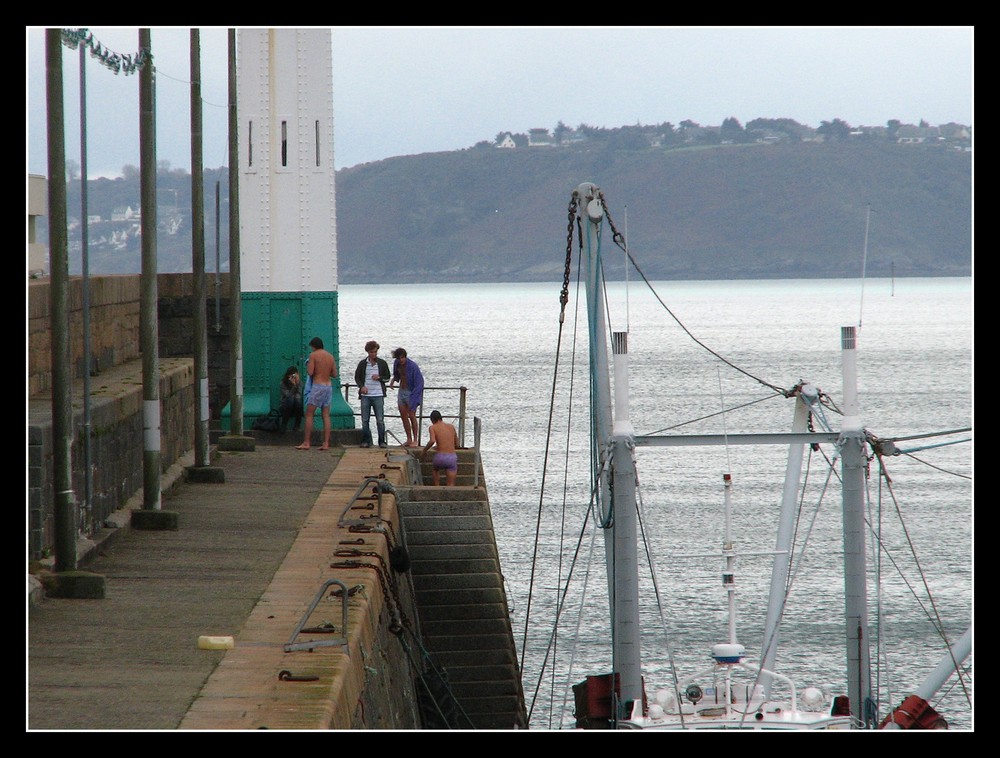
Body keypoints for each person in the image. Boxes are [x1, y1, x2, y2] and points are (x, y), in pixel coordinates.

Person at [296, 337, 338, 451]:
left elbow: (310, 372)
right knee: (326, 415)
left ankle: (306, 442)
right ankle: (326, 443)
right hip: (328, 387)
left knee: (309, 414)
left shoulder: (313, 355)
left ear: (313, 346)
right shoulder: (330, 356)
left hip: (317, 386)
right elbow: (334, 374)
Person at [354, 340, 391, 448]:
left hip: (378, 395)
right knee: (365, 420)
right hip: (366, 395)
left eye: (375, 352)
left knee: (380, 420)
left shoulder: (382, 363)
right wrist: (361, 387)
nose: (373, 354)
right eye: (371, 352)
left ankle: (381, 441)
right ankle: (366, 441)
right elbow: (357, 377)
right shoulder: (362, 364)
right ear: (368, 352)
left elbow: (387, 377)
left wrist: (379, 377)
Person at [388, 347, 425, 447]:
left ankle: (415, 439)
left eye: (403, 358)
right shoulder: (396, 364)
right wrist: (393, 380)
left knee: (412, 415)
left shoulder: (413, 366)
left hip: (411, 392)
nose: (401, 360)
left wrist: (415, 397)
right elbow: (397, 374)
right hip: (401, 390)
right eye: (399, 358)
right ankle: (409, 439)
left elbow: (420, 382)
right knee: (403, 416)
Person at [421, 410, 459, 486]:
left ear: (432, 420)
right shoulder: (451, 427)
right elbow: (457, 444)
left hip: (440, 457)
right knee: (451, 484)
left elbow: (432, 441)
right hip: (451, 458)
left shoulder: (433, 427)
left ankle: (437, 486)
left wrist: (424, 451)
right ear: (440, 418)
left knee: (435, 470)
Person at [279, 365, 303, 433]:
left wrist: (297, 384)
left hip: (296, 407)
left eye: (294, 376)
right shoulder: (283, 383)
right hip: (285, 407)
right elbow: (288, 396)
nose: (293, 378)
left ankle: (297, 425)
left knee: (297, 401)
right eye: (291, 376)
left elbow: (299, 396)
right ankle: (284, 424)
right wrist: (294, 386)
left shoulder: (300, 383)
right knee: (290, 400)